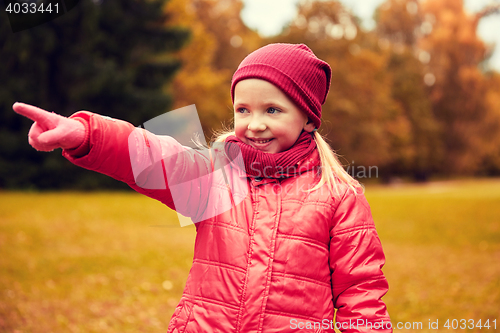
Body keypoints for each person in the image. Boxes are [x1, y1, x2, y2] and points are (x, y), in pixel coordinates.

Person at [13, 43, 392, 333]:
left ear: (308, 118)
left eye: (271, 110)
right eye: (243, 109)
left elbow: (361, 292)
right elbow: (151, 155)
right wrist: (85, 133)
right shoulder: (217, 176)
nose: (254, 123)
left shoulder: (339, 195)